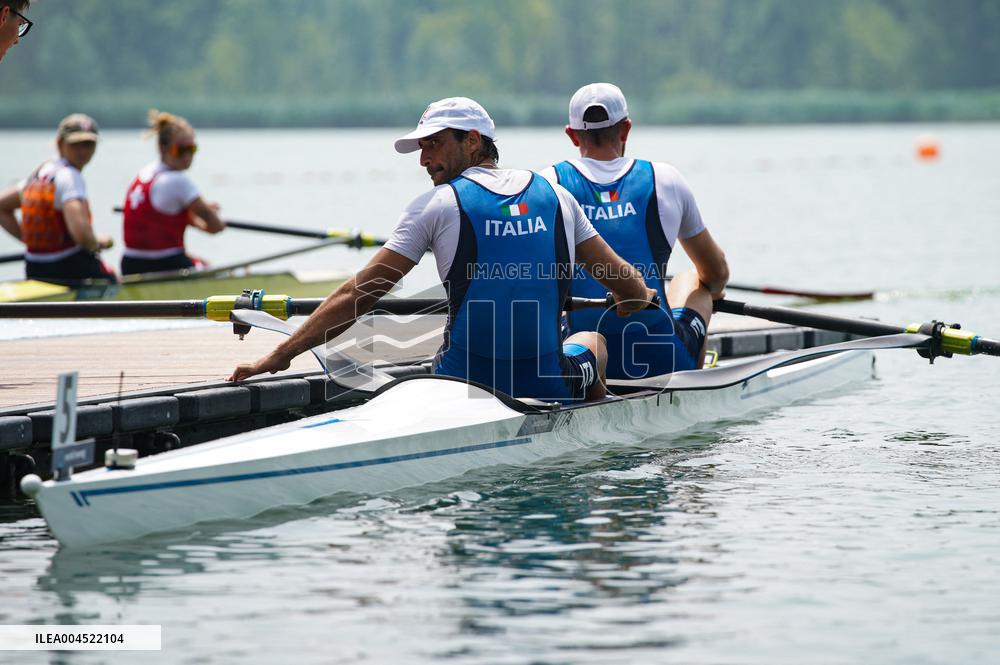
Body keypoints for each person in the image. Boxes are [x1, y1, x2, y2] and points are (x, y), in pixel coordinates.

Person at [230, 97, 655, 402]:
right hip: (545, 382)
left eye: (433, 144)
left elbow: (358, 295)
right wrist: (633, 300)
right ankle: (595, 425)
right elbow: (629, 284)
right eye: (422, 148)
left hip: (459, 385)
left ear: (472, 140)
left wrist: (279, 356)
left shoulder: (436, 206)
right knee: (591, 339)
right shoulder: (559, 197)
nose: (423, 159)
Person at [540, 83, 729, 379]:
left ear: (572, 134)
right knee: (692, 279)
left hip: (587, 357)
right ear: (625, 129)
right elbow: (716, 272)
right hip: (662, 358)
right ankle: (694, 375)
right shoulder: (665, 179)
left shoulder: (548, 183)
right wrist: (715, 292)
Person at [0, 113, 116, 282]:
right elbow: (81, 234)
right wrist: (99, 243)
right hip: (69, 267)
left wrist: (31, 243)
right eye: (76, 144)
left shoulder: (42, 172)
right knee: (113, 279)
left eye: (89, 144)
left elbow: (2, 206)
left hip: (35, 266)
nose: (83, 151)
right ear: (60, 144)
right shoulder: (70, 177)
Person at [120, 109, 224, 275]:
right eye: (180, 150)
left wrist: (192, 214)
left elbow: (161, 215)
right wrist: (215, 219)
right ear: (162, 148)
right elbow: (214, 226)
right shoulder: (178, 180)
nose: (187, 156)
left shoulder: (144, 174)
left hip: (130, 265)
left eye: (191, 149)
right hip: (166, 264)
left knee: (199, 261)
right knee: (211, 268)